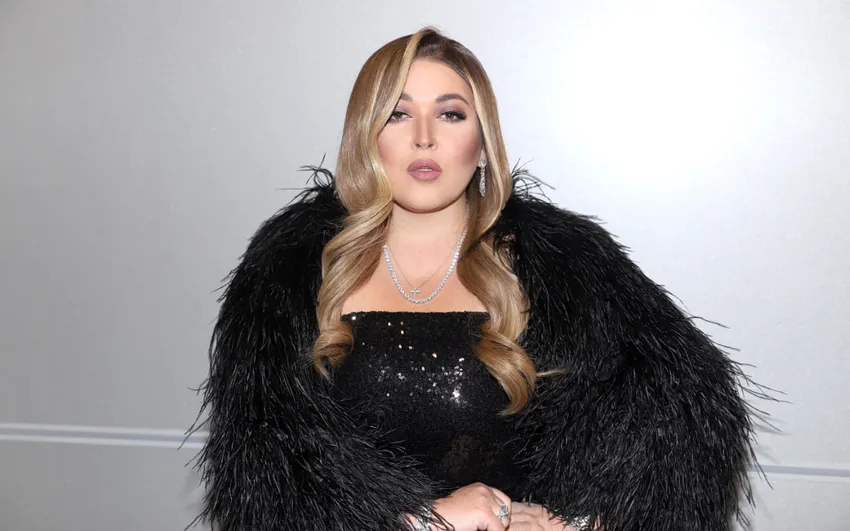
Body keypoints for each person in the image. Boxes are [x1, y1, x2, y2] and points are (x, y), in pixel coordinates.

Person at [187, 26, 766, 531]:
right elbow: (266, 483)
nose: (424, 137)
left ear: (483, 144)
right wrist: (428, 522)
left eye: (450, 113)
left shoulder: (566, 267)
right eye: (397, 113)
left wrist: (579, 523)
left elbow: (689, 418)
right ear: (366, 136)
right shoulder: (287, 274)